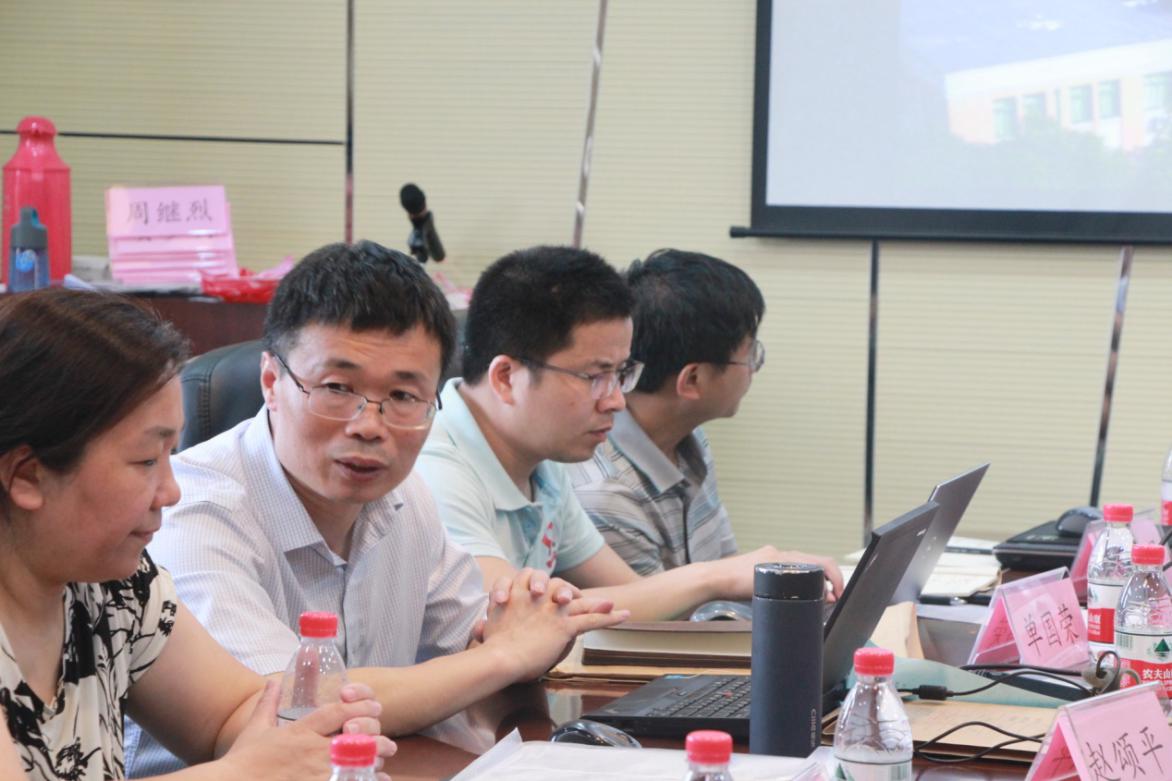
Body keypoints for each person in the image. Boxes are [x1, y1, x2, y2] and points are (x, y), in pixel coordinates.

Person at [128, 241, 625, 775]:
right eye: (337, 388)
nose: (370, 425)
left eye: (405, 397)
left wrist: (529, 625)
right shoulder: (194, 511)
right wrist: (503, 656)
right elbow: (286, 717)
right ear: (272, 382)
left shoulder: (405, 496)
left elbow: (477, 641)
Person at [0, 289, 393, 781]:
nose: (171, 492)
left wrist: (305, 733)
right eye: (146, 460)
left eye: (171, 454)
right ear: (28, 476)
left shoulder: (117, 587)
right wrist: (245, 771)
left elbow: (227, 715)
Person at [416, 245, 842, 622]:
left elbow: (626, 599)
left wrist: (736, 578)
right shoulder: (435, 473)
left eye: (621, 374)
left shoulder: (542, 463)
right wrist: (715, 577)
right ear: (507, 378)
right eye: (594, 377)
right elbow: (521, 619)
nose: (617, 401)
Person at [565, 249, 817, 577]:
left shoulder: (690, 438)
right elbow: (654, 610)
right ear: (692, 380)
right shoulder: (606, 497)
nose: (755, 367)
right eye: (749, 355)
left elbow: (727, 575)